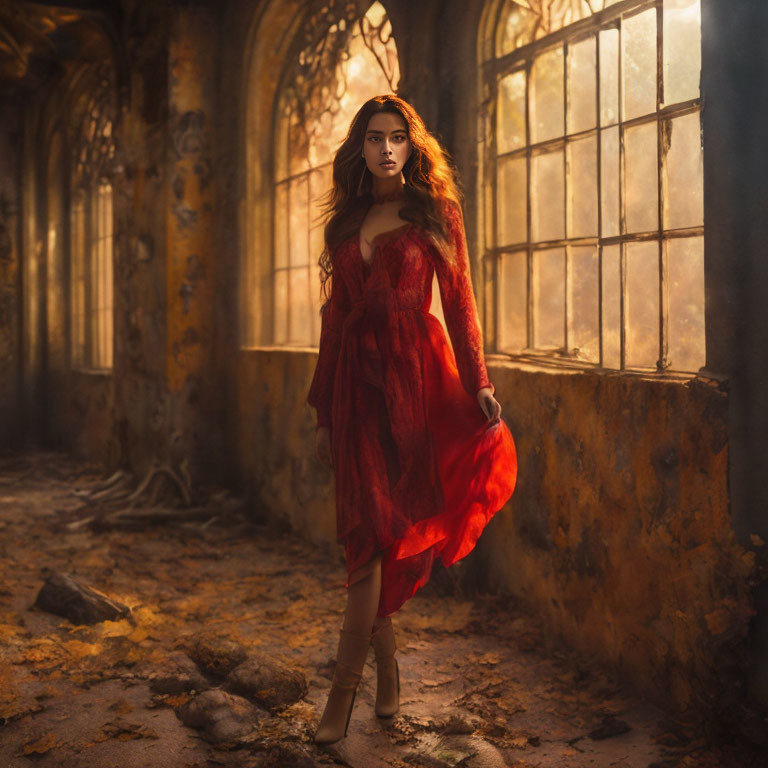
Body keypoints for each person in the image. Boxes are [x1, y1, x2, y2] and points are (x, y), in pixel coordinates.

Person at [307, 94, 517, 745]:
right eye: (375, 137)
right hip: (353, 388)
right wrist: (323, 398)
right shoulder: (344, 225)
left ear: (412, 144)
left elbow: (461, 306)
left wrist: (478, 382)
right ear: (360, 148)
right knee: (363, 537)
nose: (387, 148)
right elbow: (336, 315)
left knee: (381, 533)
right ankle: (385, 674)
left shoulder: (436, 215)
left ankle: (343, 697)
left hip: (413, 385)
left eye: (397, 137)